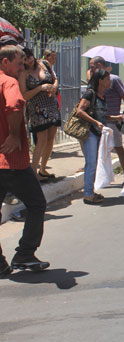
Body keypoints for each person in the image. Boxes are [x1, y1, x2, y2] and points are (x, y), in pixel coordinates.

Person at [0, 45, 49, 276]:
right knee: (37, 204)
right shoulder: (8, 82)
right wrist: (12, 134)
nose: (23, 68)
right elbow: (15, 105)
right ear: (5, 63)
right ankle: (25, 255)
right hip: (12, 162)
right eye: (19, 63)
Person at [76, 68, 122, 205]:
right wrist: (96, 122)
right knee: (91, 163)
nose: (109, 82)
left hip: (98, 133)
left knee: (95, 162)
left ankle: (91, 191)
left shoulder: (103, 95)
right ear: (100, 81)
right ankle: (88, 194)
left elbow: (102, 115)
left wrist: (116, 117)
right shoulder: (90, 94)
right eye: (107, 79)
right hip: (90, 132)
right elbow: (80, 111)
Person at [18, 47, 61, 182]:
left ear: (33, 55)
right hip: (37, 109)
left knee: (50, 138)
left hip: (51, 105)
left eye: (29, 57)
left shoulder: (45, 64)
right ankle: (33, 171)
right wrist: (40, 88)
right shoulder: (23, 73)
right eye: (25, 60)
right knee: (41, 139)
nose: (28, 61)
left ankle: (43, 168)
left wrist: (54, 87)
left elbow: (55, 79)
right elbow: (24, 95)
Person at [88, 56, 124, 174]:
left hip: (112, 121)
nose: (90, 70)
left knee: (118, 148)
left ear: (99, 66)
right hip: (99, 121)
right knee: (97, 150)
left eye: (92, 67)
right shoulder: (95, 80)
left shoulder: (114, 79)